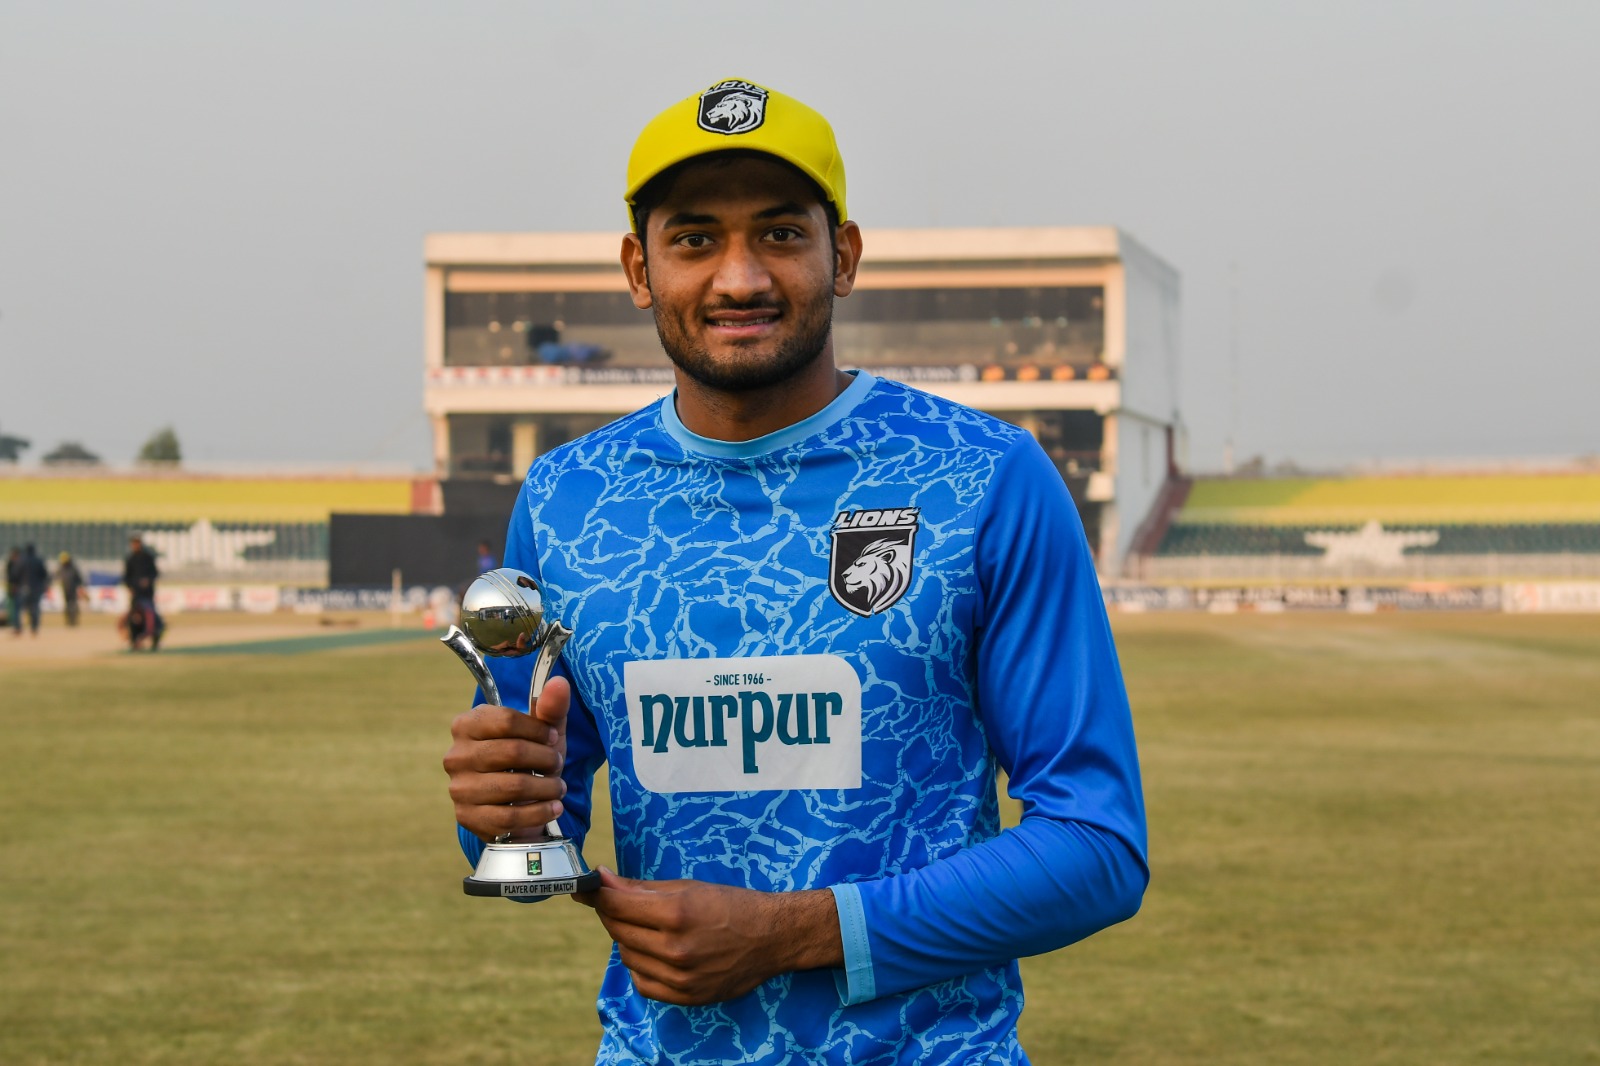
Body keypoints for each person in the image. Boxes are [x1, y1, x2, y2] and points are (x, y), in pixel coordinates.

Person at [442, 78, 1147, 1065]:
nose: (739, 278)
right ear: (639, 269)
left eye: (780, 233)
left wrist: (794, 934)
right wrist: (499, 807)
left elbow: (1098, 846)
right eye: (694, 239)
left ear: (842, 255)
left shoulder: (983, 477)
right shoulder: (568, 499)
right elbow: (531, 834)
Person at [123, 534, 165, 651]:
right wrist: (130, 587)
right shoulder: (130, 559)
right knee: (135, 619)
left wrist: (148, 581)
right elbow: (126, 577)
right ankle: (134, 642)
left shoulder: (148, 558)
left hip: (147, 594)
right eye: (133, 543)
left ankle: (154, 641)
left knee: (152, 617)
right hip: (136, 595)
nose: (135, 545)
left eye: (137, 543)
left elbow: (155, 573)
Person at [18, 544, 49, 635]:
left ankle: (20, 627)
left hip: (24, 587)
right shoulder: (38, 560)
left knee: (22, 608)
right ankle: (34, 627)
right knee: (35, 607)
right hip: (36, 587)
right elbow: (44, 574)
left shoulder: (21, 560)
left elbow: (16, 574)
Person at [57, 551, 87, 627]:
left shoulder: (73, 568)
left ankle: (74, 620)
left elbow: (79, 579)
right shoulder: (61, 568)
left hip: (73, 590)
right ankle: (68, 620)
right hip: (65, 590)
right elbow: (57, 576)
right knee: (67, 606)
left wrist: (80, 586)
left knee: (73, 605)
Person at [4, 546, 21, 635]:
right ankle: (13, 623)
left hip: (17, 588)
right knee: (12, 606)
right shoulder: (11, 563)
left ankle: (16, 625)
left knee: (16, 607)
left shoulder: (18, 563)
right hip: (12, 587)